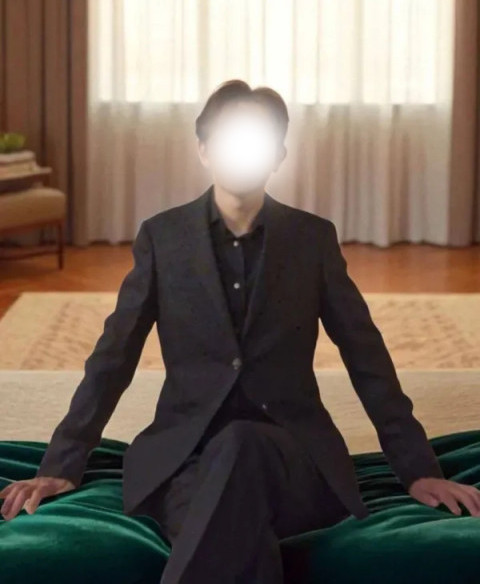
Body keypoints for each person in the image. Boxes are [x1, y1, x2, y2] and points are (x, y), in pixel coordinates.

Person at [1, 79, 480, 584]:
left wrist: (419, 469)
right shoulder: (163, 238)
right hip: (185, 463)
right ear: (204, 151)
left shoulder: (311, 239)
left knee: (242, 445)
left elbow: (367, 357)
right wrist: (61, 465)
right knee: (229, 510)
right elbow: (112, 358)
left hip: (293, 461)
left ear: (278, 155)